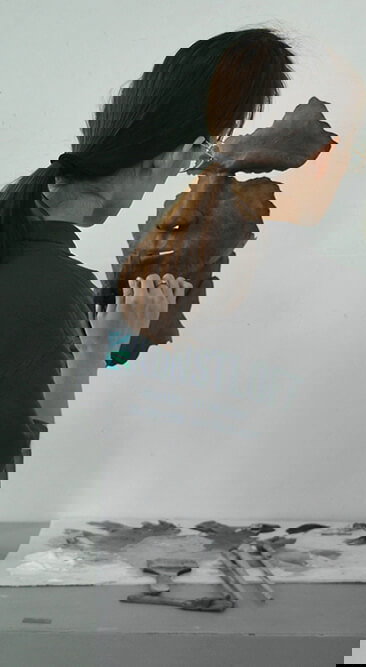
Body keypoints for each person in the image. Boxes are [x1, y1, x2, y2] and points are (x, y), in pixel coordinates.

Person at [0, 29, 295, 480]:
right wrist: (102, 339)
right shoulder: (55, 286)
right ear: (171, 158)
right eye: (202, 157)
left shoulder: (19, 225)